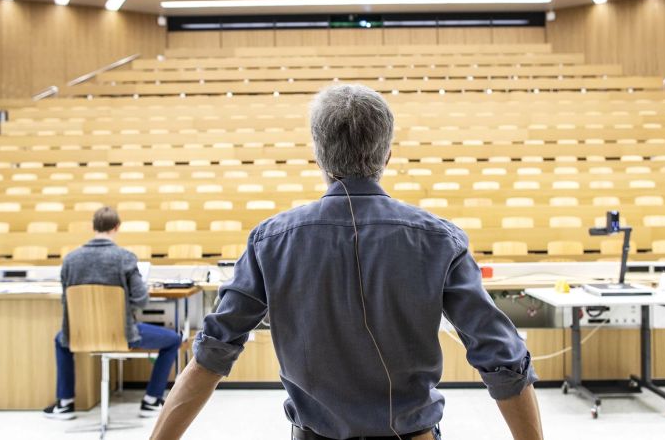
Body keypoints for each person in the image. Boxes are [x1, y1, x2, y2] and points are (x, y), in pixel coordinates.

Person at [152, 84, 544, 440]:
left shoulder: (269, 241)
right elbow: (503, 360)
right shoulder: (441, 239)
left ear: (318, 154)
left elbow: (211, 354)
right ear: (387, 154)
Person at [43, 207, 181, 420]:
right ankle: (151, 401)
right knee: (173, 339)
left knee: (61, 340)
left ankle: (65, 403)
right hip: (122, 335)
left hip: (80, 335)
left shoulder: (70, 259)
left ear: (92, 227)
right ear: (117, 227)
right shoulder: (125, 258)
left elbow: (66, 300)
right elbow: (141, 300)